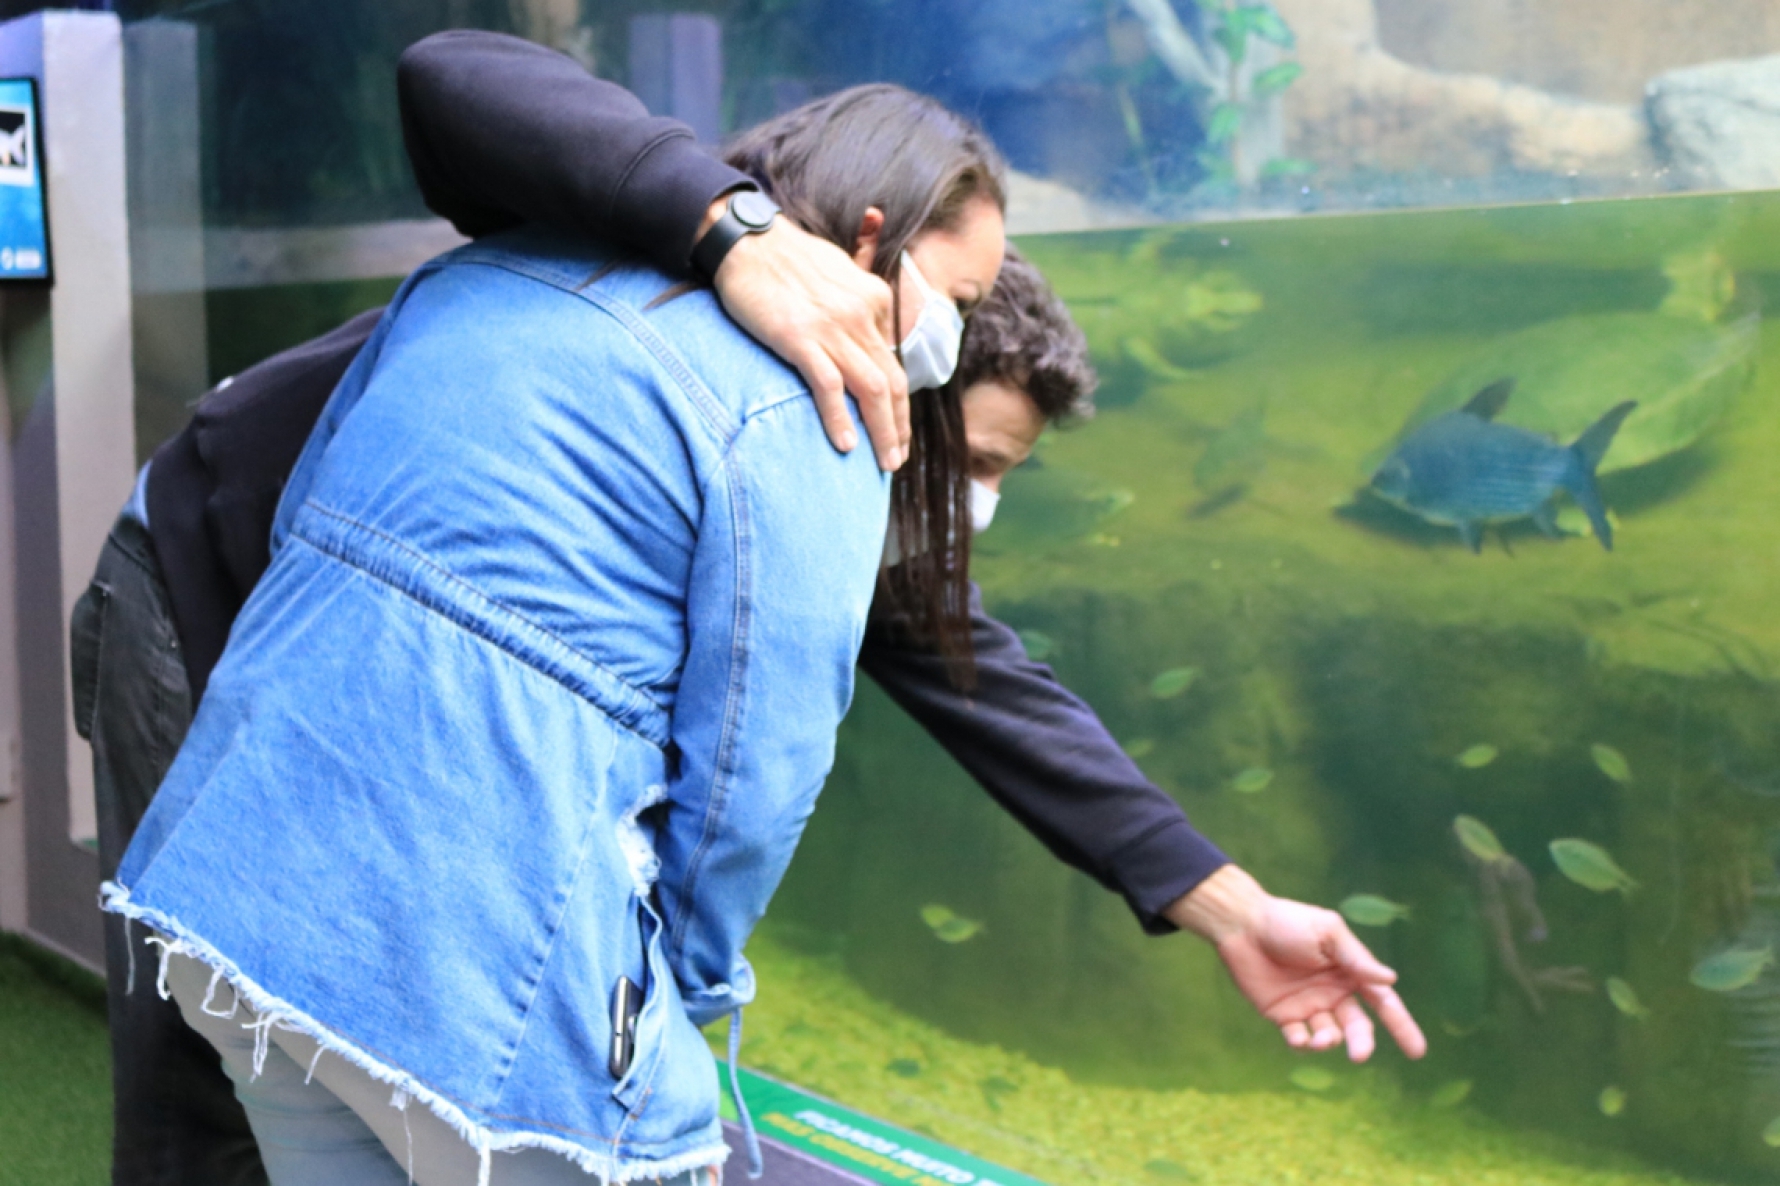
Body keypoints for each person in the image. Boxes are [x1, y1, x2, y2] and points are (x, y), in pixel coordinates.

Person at [75, 30, 1422, 1186]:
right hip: (205, 589)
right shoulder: (699, 296)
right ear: (877, 271)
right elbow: (452, 70)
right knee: (208, 1074)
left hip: (361, 686)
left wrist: (1231, 902)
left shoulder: (821, 422)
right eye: (982, 461)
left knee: (278, 1015)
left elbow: (983, 678)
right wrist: (733, 229)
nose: (970, 506)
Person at [101, 81, 1007, 1186]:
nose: (949, 347)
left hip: (238, 894)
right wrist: (674, 991)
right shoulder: (819, 412)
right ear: (875, 240)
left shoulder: (482, 273)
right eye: (959, 296)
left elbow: (304, 519)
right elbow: (753, 774)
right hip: (483, 963)